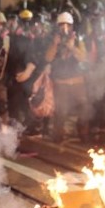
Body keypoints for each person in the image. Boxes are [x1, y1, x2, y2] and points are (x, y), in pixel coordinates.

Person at [44, 12, 89, 143]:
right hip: (61, 82)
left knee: (84, 108)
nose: (65, 28)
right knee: (61, 111)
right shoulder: (53, 39)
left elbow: (83, 58)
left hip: (77, 81)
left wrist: (72, 47)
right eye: (62, 25)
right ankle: (58, 136)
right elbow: (48, 58)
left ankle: (84, 135)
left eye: (67, 25)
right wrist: (55, 44)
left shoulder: (78, 39)